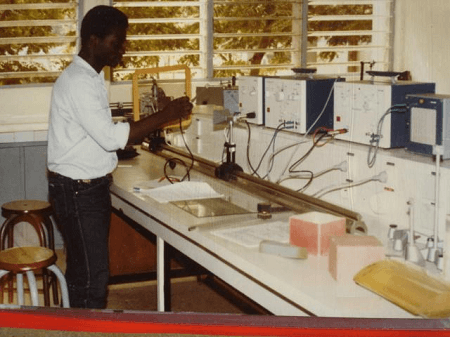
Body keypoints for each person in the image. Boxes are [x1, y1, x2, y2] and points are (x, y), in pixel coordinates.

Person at [47, 5, 192, 308]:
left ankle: (75, 325)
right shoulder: (80, 82)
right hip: (78, 190)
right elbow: (110, 137)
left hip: (82, 187)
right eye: (117, 43)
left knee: (83, 271)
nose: (121, 50)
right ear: (93, 41)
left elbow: (99, 134)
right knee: (94, 278)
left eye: (123, 43)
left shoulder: (91, 78)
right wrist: (166, 115)